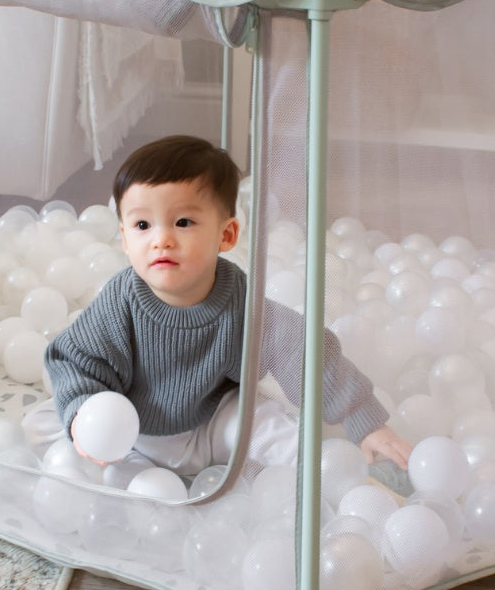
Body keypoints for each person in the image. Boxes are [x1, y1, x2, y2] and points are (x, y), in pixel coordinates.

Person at [28, 134, 412, 476]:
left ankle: (331, 483)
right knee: (42, 421)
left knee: (273, 428)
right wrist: (83, 415)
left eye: (182, 222)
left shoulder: (238, 301)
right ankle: (117, 468)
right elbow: (74, 360)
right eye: (143, 226)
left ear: (225, 235)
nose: (161, 240)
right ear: (125, 240)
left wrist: (365, 420)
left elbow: (305, 351)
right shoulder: (121, 300)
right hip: (135, 431)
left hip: (213, 425)